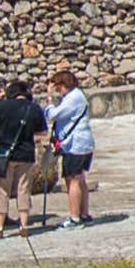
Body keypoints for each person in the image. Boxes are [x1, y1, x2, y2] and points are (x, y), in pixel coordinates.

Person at [0, 78, 47, 236]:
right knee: (24, 189)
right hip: (26, 154)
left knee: (2, 189)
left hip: (4, 154)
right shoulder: (34, 108)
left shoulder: (2, 106)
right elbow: (42, 133)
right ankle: (24, 225)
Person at [44, 70, 97, 225]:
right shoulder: (75, 96)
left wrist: (49, 99)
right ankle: (84, 213)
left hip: (75, 145)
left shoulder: (73, 98)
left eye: (57, 87)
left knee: (73, 180)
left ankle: (75, 217)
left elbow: (53, 114)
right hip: (81, 143)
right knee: (80, 179)